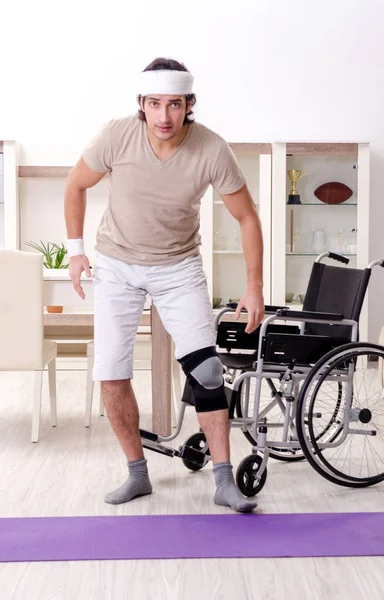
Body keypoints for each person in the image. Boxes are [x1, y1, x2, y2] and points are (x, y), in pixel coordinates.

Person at [64, 57, 264, 513]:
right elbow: (75, 185)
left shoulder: (212, 148)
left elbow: (247, 216)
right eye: (154, 104)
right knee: (111, 373)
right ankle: (138, 475)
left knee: (208, 371)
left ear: (189, 104)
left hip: (177, 267)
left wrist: (254, 287)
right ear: (141, 104)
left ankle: (223, 480)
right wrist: (76, 250)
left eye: (174, 104)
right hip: (116, 264)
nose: (164, 117)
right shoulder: (116, 135)